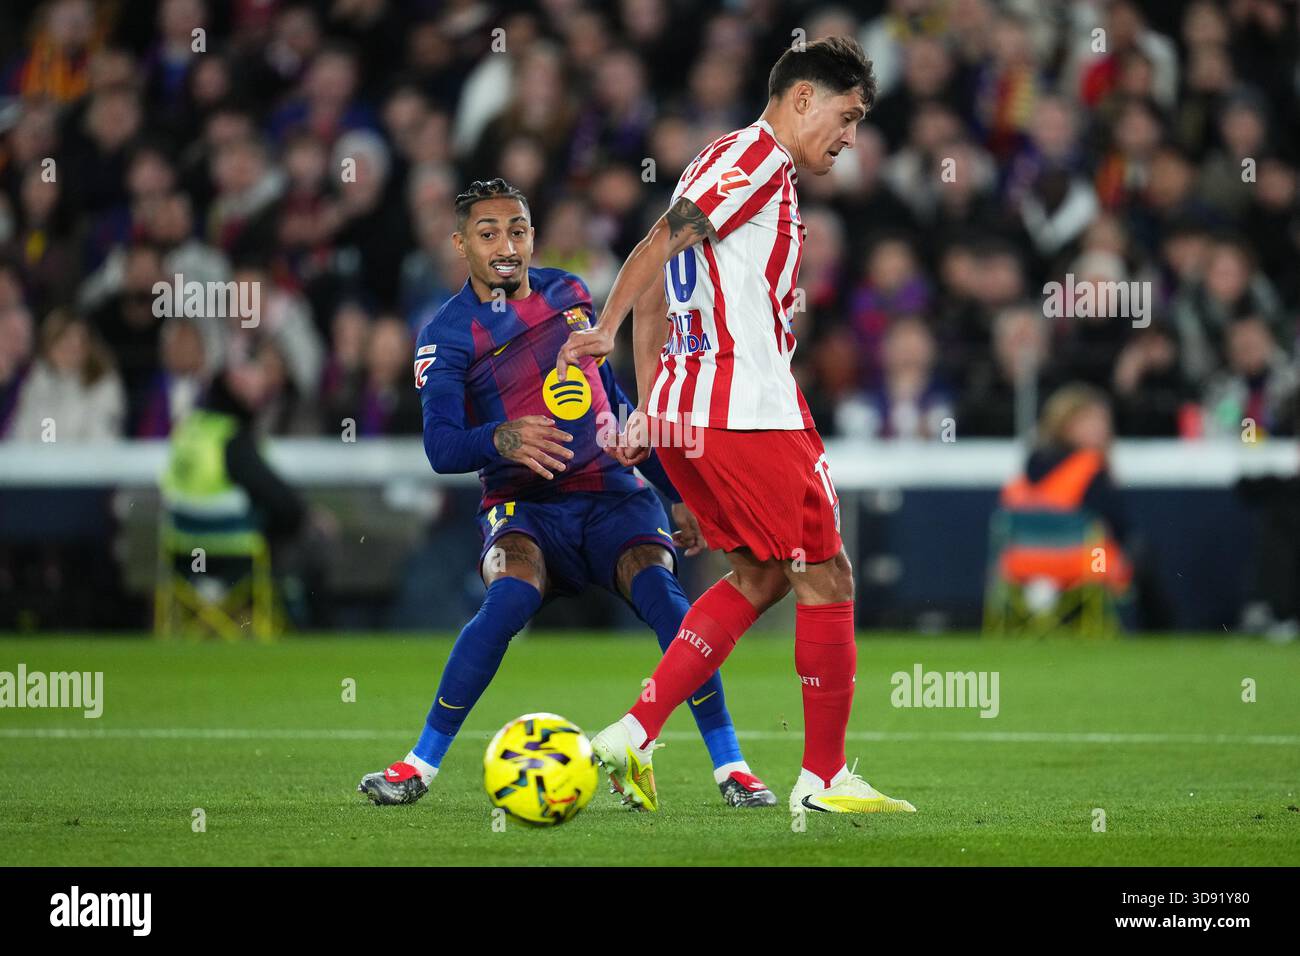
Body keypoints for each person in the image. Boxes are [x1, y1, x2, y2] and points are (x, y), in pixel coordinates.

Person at [556, 37, 915, 814]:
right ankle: (823, 779)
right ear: (800, 100)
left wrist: (654, 406)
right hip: (747, 412)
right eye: (846, 117)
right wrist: (606, 326)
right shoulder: (755, 160)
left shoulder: (721, 161)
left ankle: (633, 734)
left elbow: (664, 289)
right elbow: (656, 251)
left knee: (757, 578)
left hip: (694, 412)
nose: (850, 138)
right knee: (828, 577)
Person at [357, 178, 775, 809]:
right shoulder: (444, 335)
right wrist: (500, 437)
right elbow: (441, 447)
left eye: (517, 230)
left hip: (612, 493)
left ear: (532, 236)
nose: (506, 245)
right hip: (525, 507)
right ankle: (417, 765)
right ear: (460, 244)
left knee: (668, 602)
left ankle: (732, 768)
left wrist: (677, 488)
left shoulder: (570, 294)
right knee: (506, 603)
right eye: (488, 232)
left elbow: (616, 401)